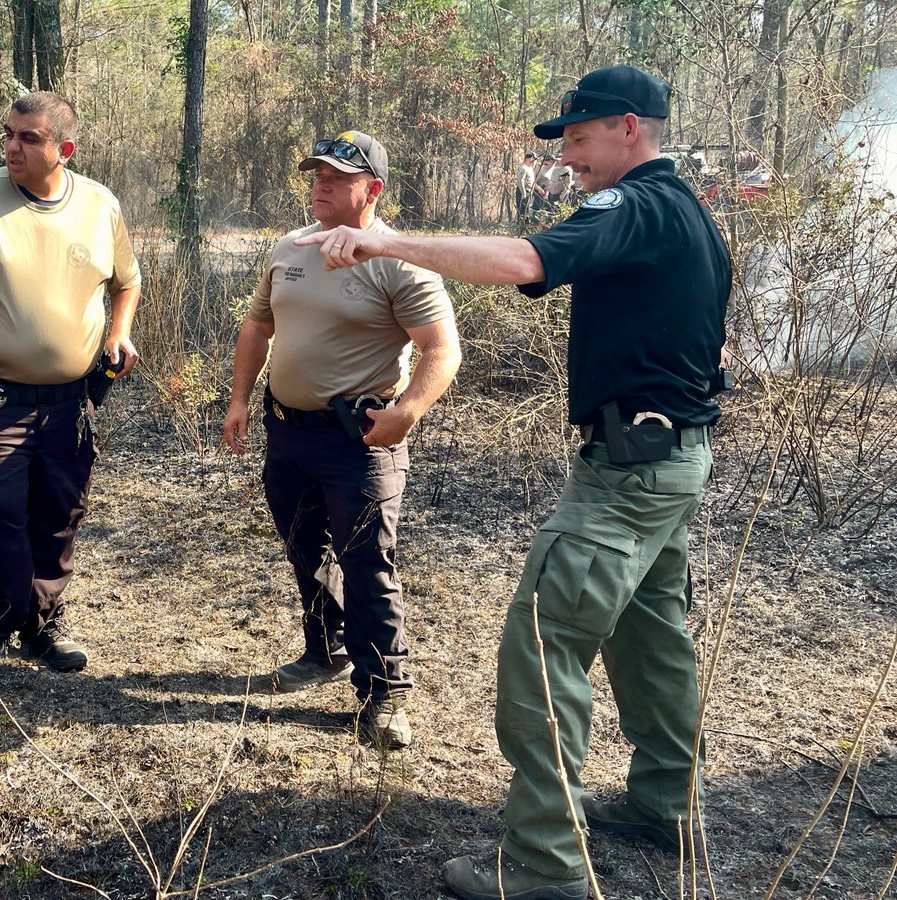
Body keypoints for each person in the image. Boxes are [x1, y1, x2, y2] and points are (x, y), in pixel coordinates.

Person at [296, 65, 730, 900]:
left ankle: (543, 864)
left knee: (542, 644)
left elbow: (527, 258)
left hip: (630, 473)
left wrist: (387, 239)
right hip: (672, 460)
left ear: (630, 129)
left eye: (578, 137)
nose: (568, 157)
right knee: (651, 637)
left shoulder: (635, 203)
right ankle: (667, 806)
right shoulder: (690, 214)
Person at [222, 130, 461, 750]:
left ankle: (385, 690)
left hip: (359, 439)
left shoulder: (399, 260)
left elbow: (441, 348)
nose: (320, 186)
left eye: (338, 177)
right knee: (306, 549)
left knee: (367, 564)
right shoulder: (289, 249)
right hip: (287, 431)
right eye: (316, 175)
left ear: (373, 190)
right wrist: (241, 399)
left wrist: (407, 411)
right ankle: (323, 650)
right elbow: (259, 323)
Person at [0, 92, 142, 678]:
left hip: (71, 401)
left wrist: (119, 332)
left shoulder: (98, 204)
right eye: (9, 134)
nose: (11, 146)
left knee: (58, 513)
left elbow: (127, 281)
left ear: (64, 150)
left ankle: (42, 625)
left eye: (28, 138)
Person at [515, 152, 537, 223]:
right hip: (523, 191)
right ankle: (520, 227)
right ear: (528, 158)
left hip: (529, 191)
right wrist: (524, 193)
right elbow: (520, 181)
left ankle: (526, 226)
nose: (533, 160)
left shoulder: (530, 168)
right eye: (532, 158)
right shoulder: (523, 168)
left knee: (527, 210)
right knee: (522, 210)